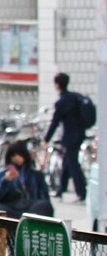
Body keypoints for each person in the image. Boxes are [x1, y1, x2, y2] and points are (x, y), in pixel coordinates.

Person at [46, 71, 91, 202]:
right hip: (79, 134)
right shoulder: (75, 97)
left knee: (73, 164)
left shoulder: (62, 101)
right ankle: (61, 190)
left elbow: (55, 122)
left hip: (70, 137)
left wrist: (46, 139)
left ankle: (82, 193)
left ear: (57, 84)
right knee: (67, 162)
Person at [0, 140, 52, 219]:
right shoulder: (3, 174)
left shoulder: (36, 174)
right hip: (12, 207)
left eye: (19, 155)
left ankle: (30, 221)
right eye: (13, 156)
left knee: (44, 205)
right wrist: (5, 181)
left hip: (31, 207)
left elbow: (45, 198)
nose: (16, 158)